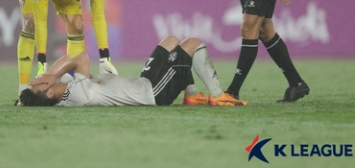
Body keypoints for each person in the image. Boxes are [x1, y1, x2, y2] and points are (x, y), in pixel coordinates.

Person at [15, 0, 117, 103]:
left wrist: (105, 58)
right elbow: (42, 20)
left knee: (76, 26)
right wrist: (42, 63)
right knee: (31, 23)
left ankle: (69, 82)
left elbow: (98, 15)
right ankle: (23, 89)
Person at [20, 36, 248, 107]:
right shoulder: (76, 94)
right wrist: (51, 73)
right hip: (153, 94)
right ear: (49, 93)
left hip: (143, 82)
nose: (38, 77)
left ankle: (191, 95)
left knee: (170, 41)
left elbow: (69, 59)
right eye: (39, 83)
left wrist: (52, 76)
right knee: (193, 44)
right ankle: (218, 96)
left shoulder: (61, 91)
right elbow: (80, 57)